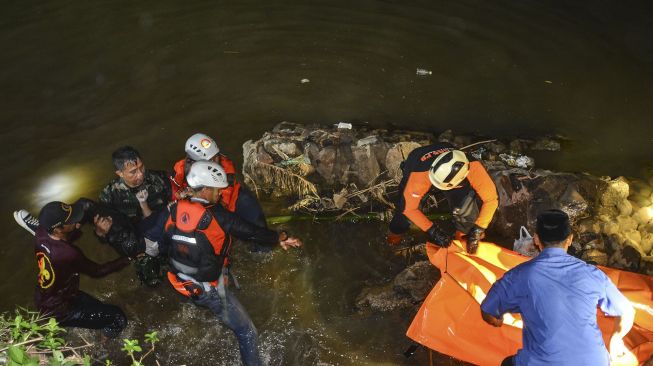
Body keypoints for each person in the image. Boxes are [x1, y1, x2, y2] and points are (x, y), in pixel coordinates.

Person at [161, 161, 301, 366]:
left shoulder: (174, 208)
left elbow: (163, 240)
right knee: (247, 331)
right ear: (206, 189)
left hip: (182, 281)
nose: (220, 193)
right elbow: (252, 232)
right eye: (217, 189)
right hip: (210, 289)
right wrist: (280, 237)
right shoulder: (219, 216)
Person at [480, 209, 635, 366]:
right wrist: (616, 339)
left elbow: (487, 310)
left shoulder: (519, 276)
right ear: (569, 239)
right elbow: (627, 311)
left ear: (536, 239)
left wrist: (496, 319)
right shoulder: (593, 274)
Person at [34, 201, 129, 338]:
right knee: (118, 318)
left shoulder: (40, 234)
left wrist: (79, 226)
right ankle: (103, 349)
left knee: (101, 308)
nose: (77, 222)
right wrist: (127, 259)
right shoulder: (67, 253)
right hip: (60, 309)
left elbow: (64, 237)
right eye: (72, 221)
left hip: (50, 296)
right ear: (57, 229)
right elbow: (97, 271)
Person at [388, 143, 498, 253]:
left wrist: (478, 229)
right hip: (420, 164)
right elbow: (409, 209)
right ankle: (394, 239)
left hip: (455, 177)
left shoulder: (474, 168)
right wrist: (433, 231)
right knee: (403, 213)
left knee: (465, 214)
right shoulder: (419, 175)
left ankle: (463, 248)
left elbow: (491, 200)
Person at [170, 133, 267, 228]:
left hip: (231, 200)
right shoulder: (181, 168)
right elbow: (173, 191)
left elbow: (223, 197)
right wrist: (182, 197)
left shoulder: (226, 166)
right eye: (211, 159)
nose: (216, 161)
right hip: (198, 204)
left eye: (216, 156)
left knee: (252, 211)